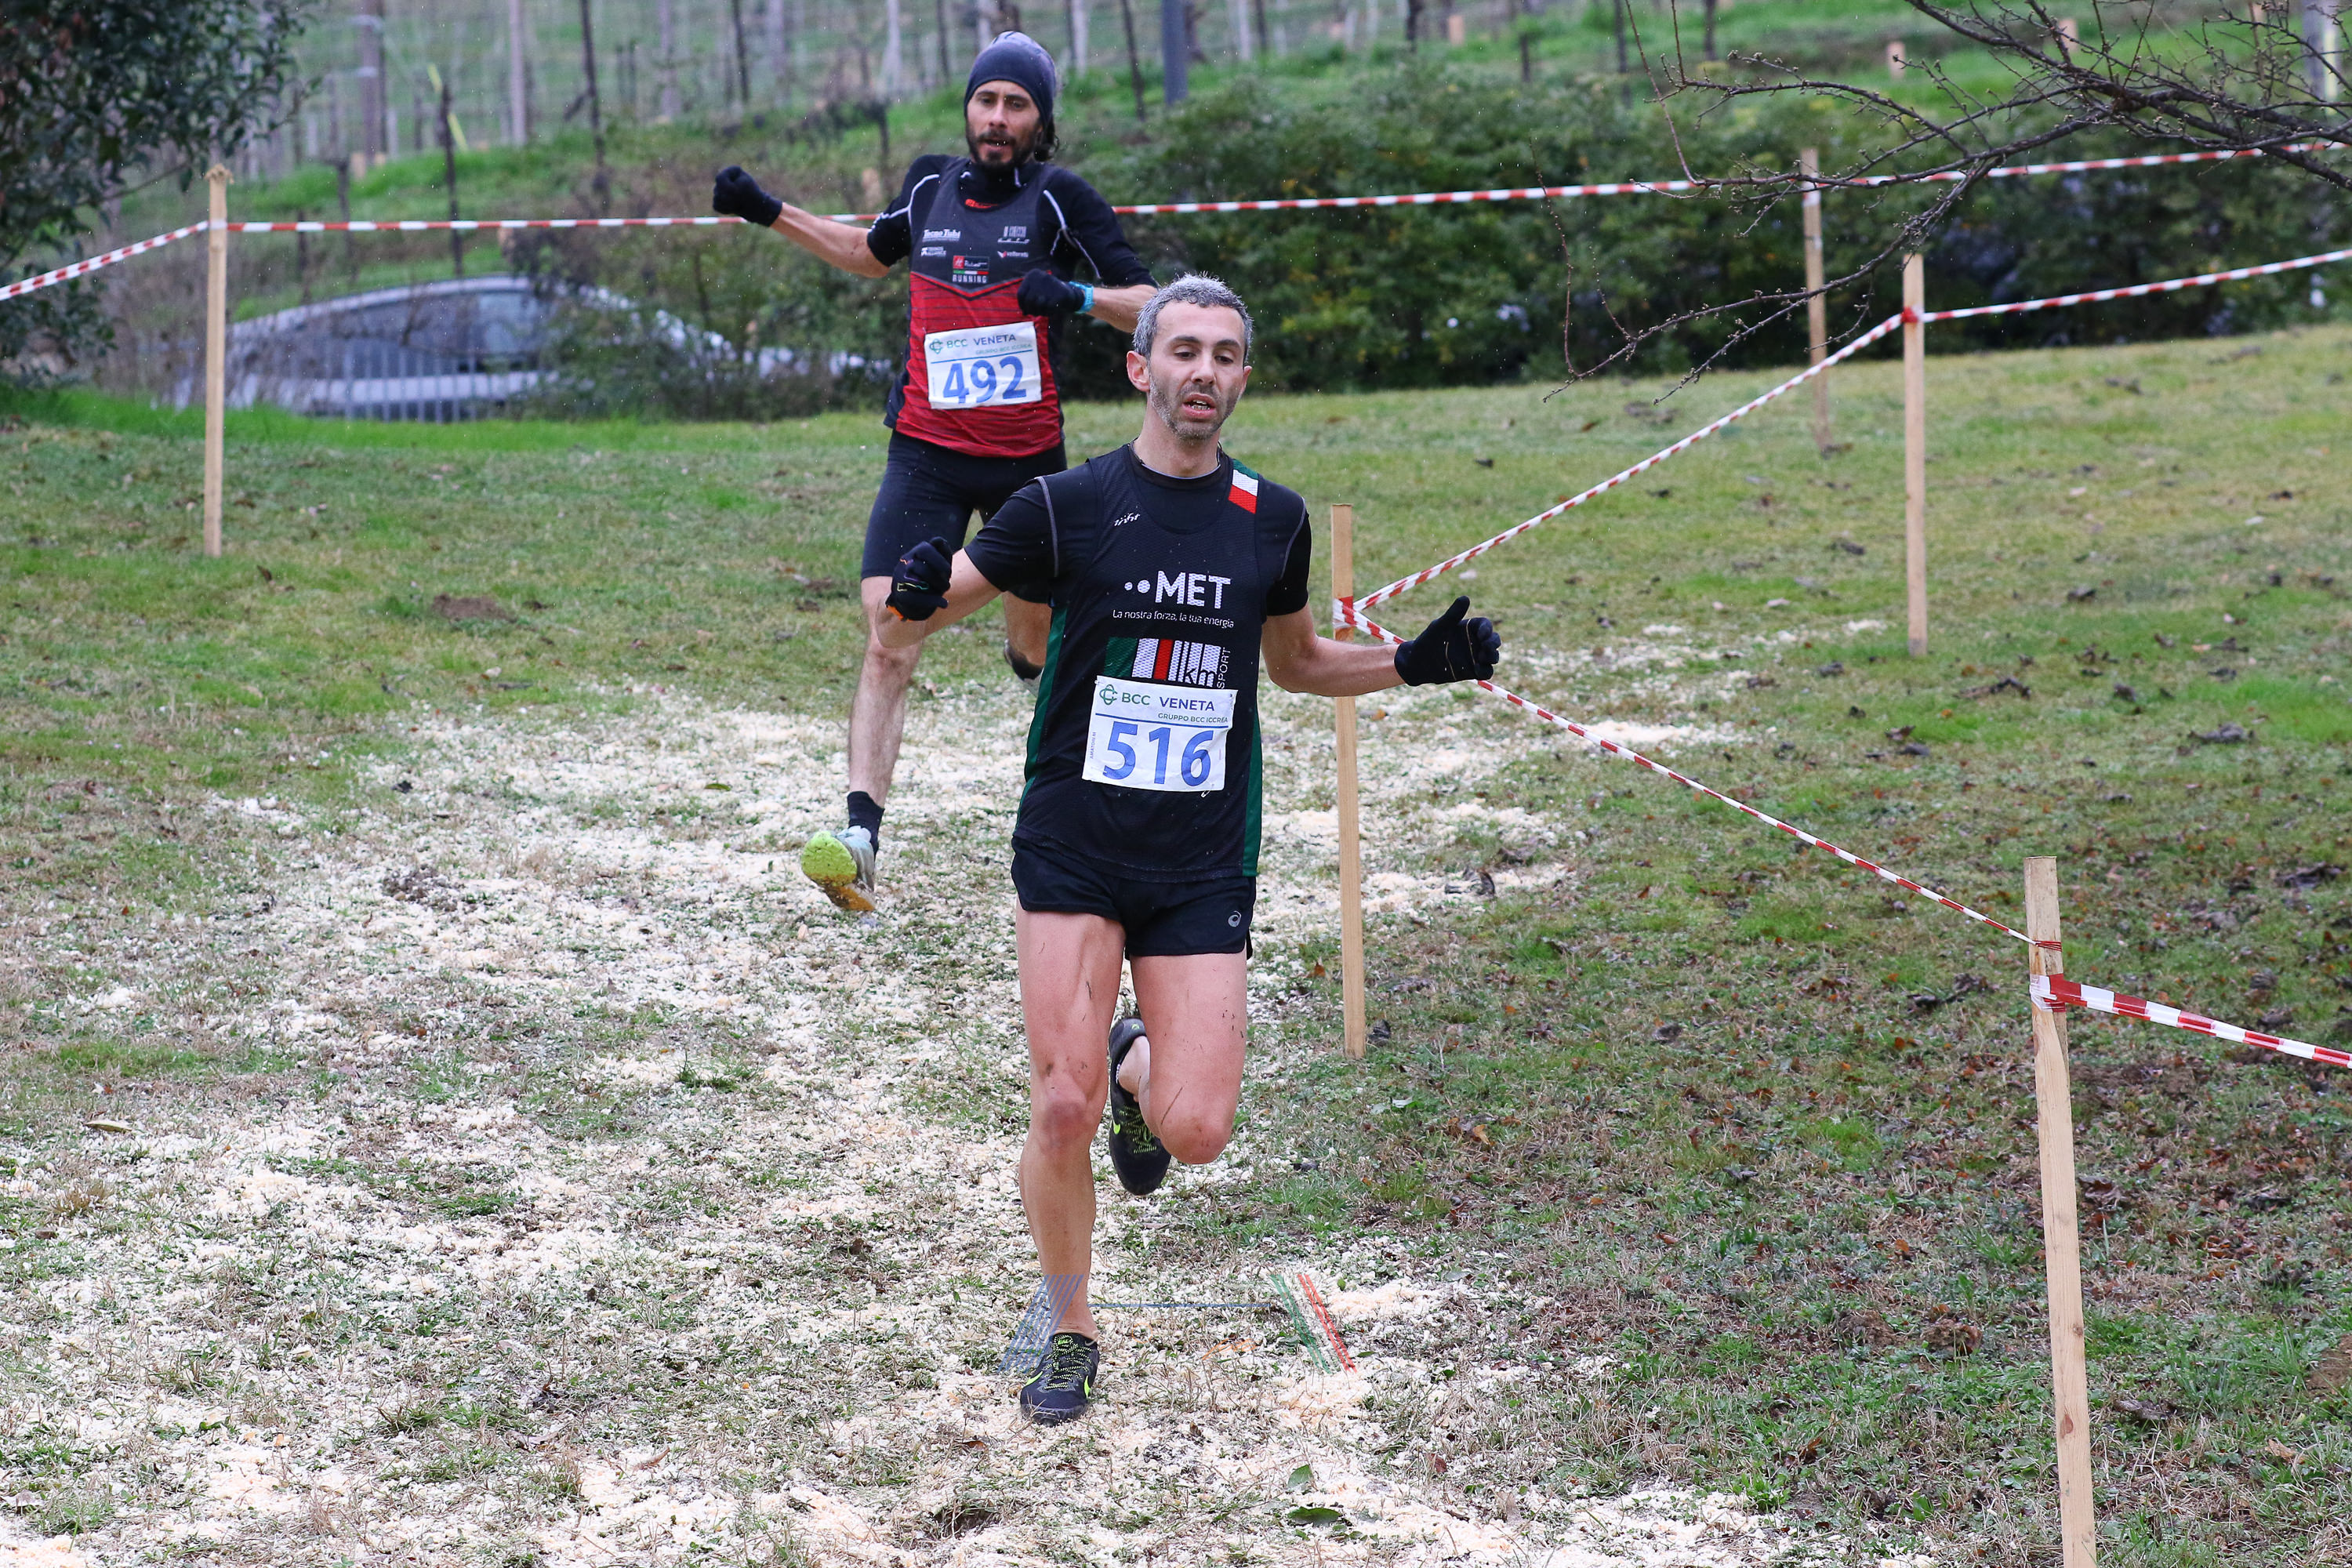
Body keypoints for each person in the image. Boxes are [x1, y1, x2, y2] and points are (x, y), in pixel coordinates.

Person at [875, 276, 1501, 1424]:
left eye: (1223, 355)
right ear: (1141, 367)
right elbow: (928, 603)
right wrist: (916, 585)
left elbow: (1297, 663)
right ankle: (1072, 1324)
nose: (1202, 371)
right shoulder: (1066, 504)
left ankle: (1135, 1061)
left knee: (1198, 1131)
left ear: (1242, 378)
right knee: (1058, 1107)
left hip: (1201, 856)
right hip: (1075, 840)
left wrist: (1416, 663)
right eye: (1183, 351)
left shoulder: (1271, 517)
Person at [712, 31, 1160, 913]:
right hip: (925, 454)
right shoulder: (929, 186)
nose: (997, 118)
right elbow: (866, 254)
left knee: (1037, 645)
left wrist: (1076, 295)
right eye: (986, 100)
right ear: (968, 109)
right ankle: (859, 837)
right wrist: (768, 210)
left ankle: (1011, 636)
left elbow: (1152, 304)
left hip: (1027, 468)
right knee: (890, 632)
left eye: (1016, 105)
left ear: (1039, 122)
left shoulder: (1061, 198)